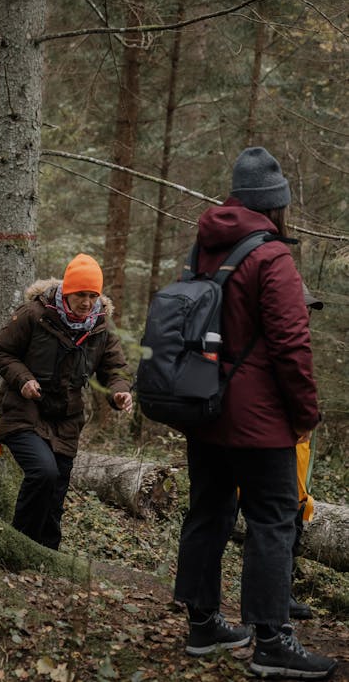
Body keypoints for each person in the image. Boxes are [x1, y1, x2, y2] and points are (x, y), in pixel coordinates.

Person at [172, 148, 337, 679]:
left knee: (208, 513)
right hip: (260, 419)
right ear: (276, 205)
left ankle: (203, 625)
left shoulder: (204, 247)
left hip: (204, 405)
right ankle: (271, 640)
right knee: (272, 521)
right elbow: (292, 345)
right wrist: (305, 412)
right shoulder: (272, 257)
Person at [0, 253, 132, 550]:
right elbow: (1, 350)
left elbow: (114, 368)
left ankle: (48, 551)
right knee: (43, 472)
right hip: (22, 409)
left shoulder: (101, 327)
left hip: (66, 417)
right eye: (81, 294)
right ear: (67, 291)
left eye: (93, 295)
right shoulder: (34, 314)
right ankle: (19, 545)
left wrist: (119, 391)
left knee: (56, 488)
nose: (87, 302)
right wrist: (24, 379)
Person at [289, 283, 324, 620]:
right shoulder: (281, 342)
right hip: (279, 453)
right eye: (304, 307)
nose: (308, 314)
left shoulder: (299, 342)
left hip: (297, 457)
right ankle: (275, 599)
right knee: (280, 526)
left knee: (294, 521)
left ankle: (282, 592)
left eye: (310, 309)